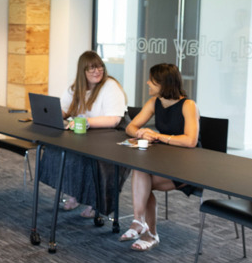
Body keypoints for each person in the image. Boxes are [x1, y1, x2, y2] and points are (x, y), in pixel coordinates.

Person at [37, 51, 129, 219]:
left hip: (112, 135)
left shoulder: (110, 86)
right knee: (58, 150)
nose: (97, 71)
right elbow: (65, 110)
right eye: (91, 68)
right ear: (82, 71)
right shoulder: (76, 88)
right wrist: (52, 114)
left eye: (100, 66)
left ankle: (95, 203)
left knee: (88, 158)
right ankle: (74, 194)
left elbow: (114, 120)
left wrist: (86, 122)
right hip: (88, 132)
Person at [122, 63, 200, 251]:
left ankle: (147, 230)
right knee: (141, 171)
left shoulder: (188, 105)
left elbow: (191, 141)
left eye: (153, 80)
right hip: (165, 162)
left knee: (143, 180)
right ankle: (142, 224)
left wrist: (158, 136)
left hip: (188, 168)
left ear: (165, 84)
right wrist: (141, 133)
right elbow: (130, 127)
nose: (148, 82)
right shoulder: (155, 102)